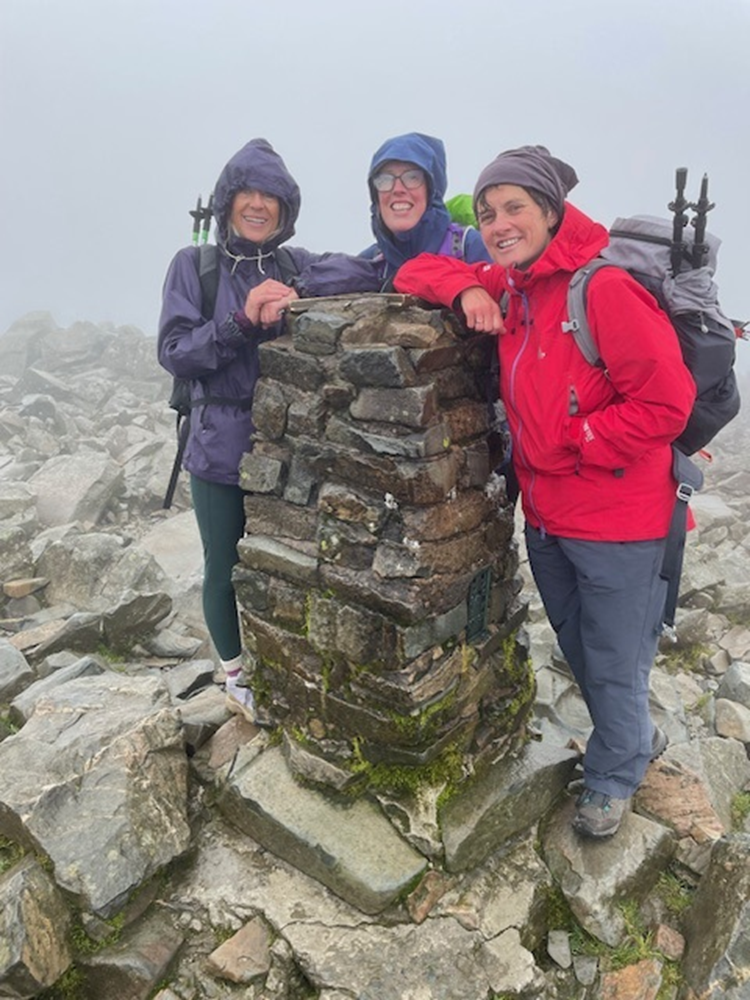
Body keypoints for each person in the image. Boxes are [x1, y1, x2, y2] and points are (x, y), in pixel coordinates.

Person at [394, 145, 696, 838]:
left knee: (615, 660)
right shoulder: (516, 287)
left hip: (623, 520)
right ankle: (632, 736)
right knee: (582, 647)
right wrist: (469, 289)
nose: (500, 224)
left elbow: (666, 405)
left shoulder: (603, 289)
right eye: (491, 211)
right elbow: (415, 267)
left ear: (552, 212)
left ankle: (615, 775)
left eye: (516, 209)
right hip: (550, 517)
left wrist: (576, 441)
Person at [157, 138, 371, 723]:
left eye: (270, 196)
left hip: (290, 449)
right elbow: (175, 352)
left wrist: (303, 291)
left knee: (288, 561)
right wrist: (238, 320)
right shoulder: (193, 266)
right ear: (227, 202)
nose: (258, 205)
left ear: (285, 208)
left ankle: (283, 659)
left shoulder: (291, 264)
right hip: (219, 444)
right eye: (246, 193)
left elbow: (363, 268)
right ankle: (236, 674)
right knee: (224, 565)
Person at [360, 131, 491, 287]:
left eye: (412, 177)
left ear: (432, 191)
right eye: (385, 179)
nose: (398, 189)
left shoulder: (472, 248)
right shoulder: (370, 264)